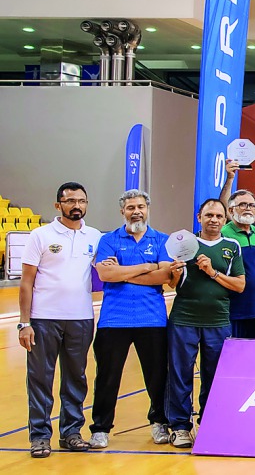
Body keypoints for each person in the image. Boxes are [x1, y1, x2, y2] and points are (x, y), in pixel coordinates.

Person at [19, 182, 103, 458]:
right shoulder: (40, 235)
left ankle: (71, 433)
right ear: (58, 205)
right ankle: (40, 436)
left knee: (76, 379)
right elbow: (26, 283)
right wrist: (24, 322)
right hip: (43, 320)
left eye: (81, 200)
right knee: (41, 378)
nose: (76, 205)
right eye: (70, 201)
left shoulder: (94, 236)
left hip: (80, 319)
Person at [90, 190, 177, 449]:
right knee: (107, 376)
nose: (135, 211)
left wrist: (122, 272)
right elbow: (104, 275)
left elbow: (164, 277)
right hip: (114, 320)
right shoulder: (108, 239)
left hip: (152, 319)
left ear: (148, 208)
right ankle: (101, 428)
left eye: (140, 206)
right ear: (122, 212)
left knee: (157, 375)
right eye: (130, 207)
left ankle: (159, 422)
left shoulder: (162, 240)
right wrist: (147, 266)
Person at [163, 199, 246, 448]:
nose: (214, 220)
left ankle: (209, 422)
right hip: (184, 319)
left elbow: (240, 285)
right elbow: (171, 285)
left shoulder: (232, 246)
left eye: (219, 216)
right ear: (199, 217)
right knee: (180, 374)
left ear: (226, 219)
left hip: (219, 321)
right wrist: (175, 274)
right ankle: (179, 426)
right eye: (209, 215)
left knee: (214, 375)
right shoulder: (185, 243)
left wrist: (212, 272)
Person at [224, 190, 255, 340]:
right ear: (231, 210)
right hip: (232, 309)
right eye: (243, 205)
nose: (248, 208)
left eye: (252, 205)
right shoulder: (223, 233)